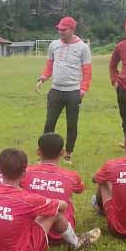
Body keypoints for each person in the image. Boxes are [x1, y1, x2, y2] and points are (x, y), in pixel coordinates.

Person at [0, 148, 98, 251]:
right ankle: (76, 242)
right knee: (54, 212)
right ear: (24, 174)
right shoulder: (29, 199)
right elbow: (63, 206)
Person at [35, 16, 92, 163]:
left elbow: (87, 71)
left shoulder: (83, 48)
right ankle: (45, 154)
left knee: (71, 124)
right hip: (56, 90)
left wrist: (83, 89)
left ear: (72, 29)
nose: (61, 32)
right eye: (59, 29)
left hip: (73, 92)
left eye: (64, 30)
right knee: (49, 123)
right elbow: (49, 65)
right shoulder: (53, 45)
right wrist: (43, 78)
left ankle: (68, 154)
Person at [21, 133, 85, 244]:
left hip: (31, 230)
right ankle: (71, 237)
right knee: (68, 198)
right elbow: (80, 189)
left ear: (38, 152)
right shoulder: (71, 176)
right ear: (62, 152)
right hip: (60, 234)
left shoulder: (24, 173)